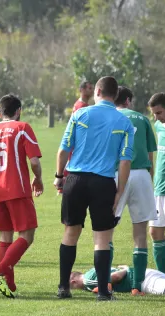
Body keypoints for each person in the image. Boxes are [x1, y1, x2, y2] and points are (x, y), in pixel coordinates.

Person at [54, 76, 134, 301]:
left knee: (71, 233)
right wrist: (119, 191)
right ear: (116, 94)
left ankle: (63, 288)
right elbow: (125, 161)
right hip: (103, 182)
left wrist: (59, 177)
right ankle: (104, 293)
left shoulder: (80, 114)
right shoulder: (124, 123)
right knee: (102, 238)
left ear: (97, 91)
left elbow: (63, 149)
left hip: (76, 180)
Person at [0, 94, 44, 298]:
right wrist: (37, 178)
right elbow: (34, 162)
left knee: (5, 237)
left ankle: (9, 284)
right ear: (19, 111)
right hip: (17, 189)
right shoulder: (22, 128)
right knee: (27, 236)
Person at [111, 86, 157, 295]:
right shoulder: (142, 119)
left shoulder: (109, 117)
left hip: (115, 174)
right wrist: (150, 179)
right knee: (140, 233)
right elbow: (150, 156)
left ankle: (105, 281)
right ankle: (137, 286)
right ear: (128, 100)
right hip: (140, 174)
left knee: (106, 230)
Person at [148, 93, 165, 276]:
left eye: (160, 112)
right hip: (159, 189)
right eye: (154, 113)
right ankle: (164, 277)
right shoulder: (158, 126)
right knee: (155, 232)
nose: (156, 117)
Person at [70, 265, 165, 295]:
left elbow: (116, 276)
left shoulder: (87, 280)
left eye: (72, 288)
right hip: (146, 273)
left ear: (73, 282)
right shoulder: (91, 272)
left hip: (144, 280)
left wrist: (125, 270)